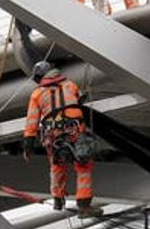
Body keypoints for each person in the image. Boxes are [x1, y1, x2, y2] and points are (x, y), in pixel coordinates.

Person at [22, 61, 99, 217]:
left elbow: (32, 121)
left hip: (54, 133)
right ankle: (84, 205)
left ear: (40, 77)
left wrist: (28, 144)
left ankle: (58, 197)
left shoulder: (37, 94)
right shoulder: (70, 85)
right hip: (75, 130)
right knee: (83, 165)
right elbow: (78, 102)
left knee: (57, 165)